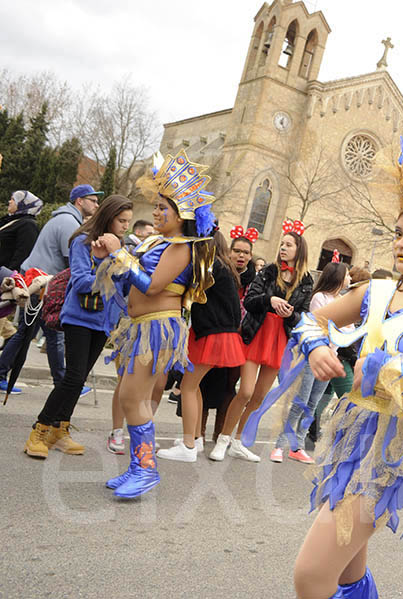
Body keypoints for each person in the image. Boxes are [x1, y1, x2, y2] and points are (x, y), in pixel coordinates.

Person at [238, 124, 403, 598]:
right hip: (351, 433)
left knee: (310, 575)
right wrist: (318, 347)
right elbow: (312, 320)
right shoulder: (378, 291)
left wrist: (389, 366)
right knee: (344, 574)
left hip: (393, 444)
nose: (401, 242)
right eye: (398, 232)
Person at [89, 151, 217, 498]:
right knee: (136, 397)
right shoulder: (158, 241)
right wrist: (108, 256)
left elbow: (152, 285)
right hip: (143, 325)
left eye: (164, 207)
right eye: (157, 206)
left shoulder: (182, 247)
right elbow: (130, 285)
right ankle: (138, 468)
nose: (157, 212)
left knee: (132, 396)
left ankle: (144, 469)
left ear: (182, 215)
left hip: (158, 328)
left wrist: (119, 253)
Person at [23, 196, 132, 458]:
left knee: (79, 377)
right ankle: (39, 429)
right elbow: (82, 282)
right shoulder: (83, 243)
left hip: (103, 321)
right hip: (79, 318)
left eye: (129, 221)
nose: (126, 226)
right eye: (122, 220)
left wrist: (120, 258)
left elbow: (126, 286)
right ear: (108, 217)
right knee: (72, 378)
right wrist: (104, 260)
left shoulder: (122, 247)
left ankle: (59, 430)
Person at [210, 219, 313, 462]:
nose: (283, 248)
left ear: (300, 250)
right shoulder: (268, 271)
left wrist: (291, 315)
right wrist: (270, 301)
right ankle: (223, 439)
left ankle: (238, 441)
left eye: (288, 245)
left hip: (280, 340)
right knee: (245, 391)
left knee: (258, 397)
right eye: (282, 244)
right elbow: (249, 300)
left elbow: (304, 316)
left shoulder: (307, 280)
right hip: (256, 334)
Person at [0, 184, 102, 394]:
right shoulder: (68, 222)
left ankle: (61, 381)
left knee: (38, 334)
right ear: (79, 201)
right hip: (41, 284)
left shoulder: (66, 218)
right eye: (93, 200)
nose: (97, 204)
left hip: (43, 282)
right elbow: (72, 261)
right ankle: (61, 382)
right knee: (38, 334)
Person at [157, 230, 245, 462]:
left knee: (188, 386)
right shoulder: (222, 267)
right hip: (213, 333)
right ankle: (194, 440)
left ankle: (188, 445)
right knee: (192, 387)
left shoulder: (213, 266)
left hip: (213, 334)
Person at [271, 261, 351, 463]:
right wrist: (340, 326)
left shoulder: (343, 300)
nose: (350, 279)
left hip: (331, 356)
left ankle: (297, 446)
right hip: (313, 356)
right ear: (338, 277)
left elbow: (348, 331)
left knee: (314, 403)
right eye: (347, 275)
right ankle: (279, 445)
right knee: (301, 402)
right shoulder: (320, 297)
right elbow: (325, 325)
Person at [0, 190, 43, 271]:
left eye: (13, 199)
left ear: (23, 204)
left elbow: (23, 254)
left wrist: (10, 275)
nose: (10, 202)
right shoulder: (8, 220)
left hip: (7, 276)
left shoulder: (28, 225)